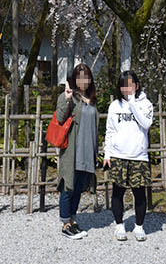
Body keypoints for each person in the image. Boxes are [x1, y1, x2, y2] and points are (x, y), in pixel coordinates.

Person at [103, 70, 153, 241]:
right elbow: (109, 131)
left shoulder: (146, 104)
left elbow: (146, 123)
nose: (127, 88)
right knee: (118, 192)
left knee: (139, 193)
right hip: (118, 155)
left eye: (130, 84)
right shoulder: (115, 106)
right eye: (123, 85)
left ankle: (139, 226)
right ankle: (119, 225)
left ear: (137, 85)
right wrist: (107, 153)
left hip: (138, 156)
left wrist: (132, 104)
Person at [55, 63, 99, 240]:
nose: (83, 81)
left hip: (88, 150)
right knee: (68, 186)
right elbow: (59, 117)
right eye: (80, 77)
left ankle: (72, 219)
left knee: (79, 187)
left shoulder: (92, 99)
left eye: (86, 77)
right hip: (72, 150)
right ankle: (65, 223)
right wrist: (66, 98)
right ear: (74, 79)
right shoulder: (69, 97)